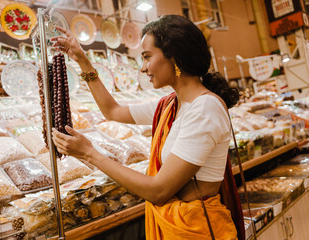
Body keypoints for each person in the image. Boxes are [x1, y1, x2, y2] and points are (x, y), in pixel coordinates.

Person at [51, 15, 243, 240]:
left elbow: (158, 190)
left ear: (175, 56)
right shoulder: (171, 104)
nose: (143, 68)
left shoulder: (204, 109)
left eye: (147, 57)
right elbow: (112, 111)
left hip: (196, 230)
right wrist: (82, 61)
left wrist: (90, 154)